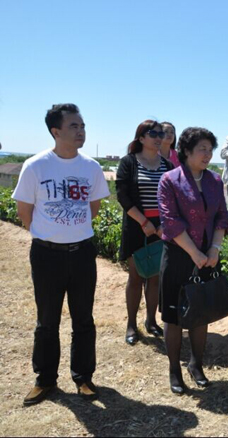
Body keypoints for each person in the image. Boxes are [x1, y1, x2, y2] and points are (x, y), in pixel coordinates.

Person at [12, 103, 110, 405]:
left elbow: (92, 209)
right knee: (47, 320)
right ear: (56, 131)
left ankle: (83, 378)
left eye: (82, 126)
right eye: (73, 127)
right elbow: (24, 211)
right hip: (46, 255)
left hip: (82, 253)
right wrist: (49, 235)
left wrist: (71, 231)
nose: (81, 131)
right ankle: (45, 380)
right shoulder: (35, 166)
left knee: (83, 318)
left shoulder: (91, 168)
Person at [158, 127, 228, 395]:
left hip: (207, 256)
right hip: (179, 255)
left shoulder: (214, 181)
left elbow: (222, 217)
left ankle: (196, 365)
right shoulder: (170, 180)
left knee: (201, 313)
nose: (208, 154)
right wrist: (195, 253)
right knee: (174, 316)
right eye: (202, 149)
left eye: (210, 149)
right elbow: (170, 222)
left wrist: (214, 249)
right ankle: (174, 371)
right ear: (186, 151)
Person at [116, 120, 173, 345]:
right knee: (136, 276)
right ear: (141, 138)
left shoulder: (167, 166)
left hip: (160, 229)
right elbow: (122, 195)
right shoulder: (129, 163)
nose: (158, 137)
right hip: (136, 228)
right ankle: (132, 324)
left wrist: (162, 226)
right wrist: (143, 222)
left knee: (156, 277)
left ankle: (151, 321)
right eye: (153, 133)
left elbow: (172, 199)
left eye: (161, 133)